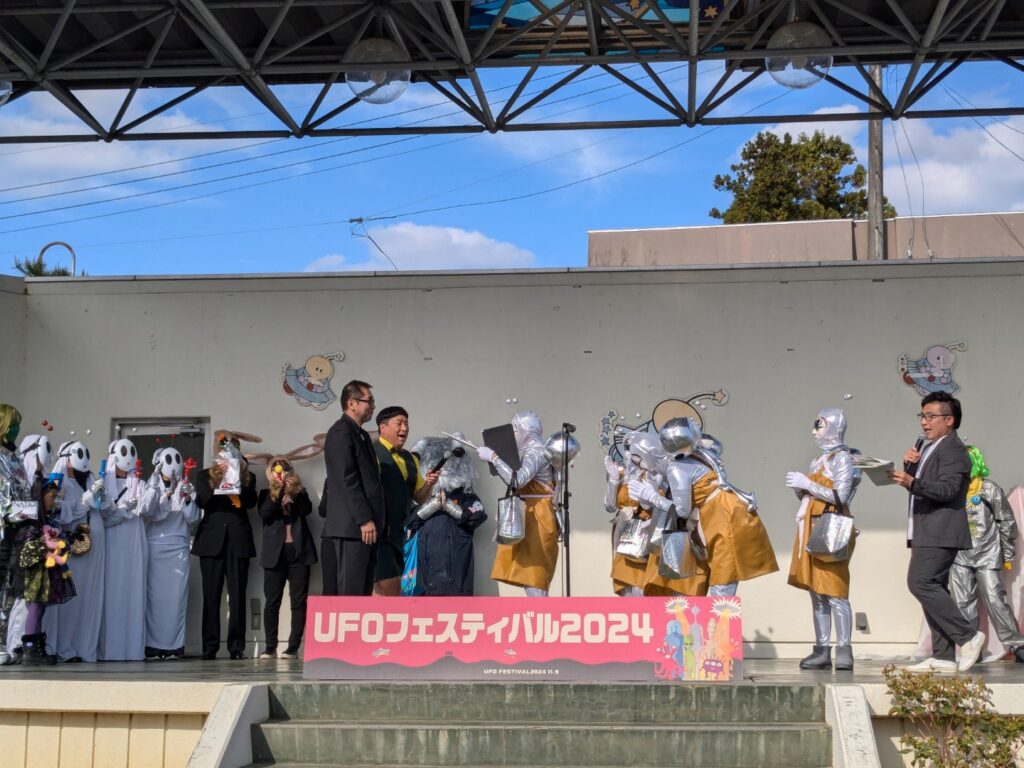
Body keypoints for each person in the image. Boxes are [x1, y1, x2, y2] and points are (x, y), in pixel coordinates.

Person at [889, 391, 985, 673]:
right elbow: (925, 485)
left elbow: (949, 490)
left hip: (941, 531)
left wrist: (912, 481)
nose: (924, 422)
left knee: (920, 583)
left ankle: (968, 636)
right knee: (933, 586)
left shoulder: (953, 449)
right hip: (926, 529)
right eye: (922, 416)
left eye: (931, 416)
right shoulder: (932, 447)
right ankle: (943, 656)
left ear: (950, 420)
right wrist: (910, 467)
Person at [630, 418, 778, 597]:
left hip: (722, 518)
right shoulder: (699, 454)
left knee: (723, 578)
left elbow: (681, 511)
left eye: (639, 461)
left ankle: (720, 616)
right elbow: (715, 447)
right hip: (726, 512)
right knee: (723, 576)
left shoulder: (676, 467)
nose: (641, 467)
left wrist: (652, 496)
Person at [785, 408, 862, 671]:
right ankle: (821, 648)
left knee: (835, 590)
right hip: (811, 525)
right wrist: (801, 488)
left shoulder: (843, 458)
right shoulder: (819, 460)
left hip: (832, 526)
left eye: (820, 426)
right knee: (817, 591)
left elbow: (841, 496)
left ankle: (844, 649)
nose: (815, 432)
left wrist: (807, 484)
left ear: (833, 427)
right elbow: (813, 494)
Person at [949, 445, 1024, 663]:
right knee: (963, 603)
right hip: (959, 556)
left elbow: (1006, 522)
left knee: (995, 600)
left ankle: (1017, 644)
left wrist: (1007, 555)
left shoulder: (989, 488)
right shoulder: (951, 490)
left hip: (988, 555)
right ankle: (972, 649)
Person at [192, 431, 259, 660]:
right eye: (223, 447)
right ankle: (209, 646)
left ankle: (236, 647)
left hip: (238, 540)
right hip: (211, 542)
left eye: (233, 447)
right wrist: (219, 478)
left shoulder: (248, 476)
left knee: (238, 596)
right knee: (211, 596)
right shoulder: (204, 475)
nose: (227, 451)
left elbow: (250, 503)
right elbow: (202, 501)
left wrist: (238, 475)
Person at [479, 411, 558, 596]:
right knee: (529, 576)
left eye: (514, 430)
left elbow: (517, 480)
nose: (512, 435)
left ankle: (542, 614)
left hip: (536, 517)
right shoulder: (539, 451)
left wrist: (494, 458)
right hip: (532, 513)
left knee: (534, 575)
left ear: (525, 431)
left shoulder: (536, 452)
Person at [321, 380, 385, 596]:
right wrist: (364, 519)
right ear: (352, 403)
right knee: (351, 594)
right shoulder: (341, 432)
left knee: (363, 594)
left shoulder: (362, 435)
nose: (373, 406)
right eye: (369, 401)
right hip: (352, 529)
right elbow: (346, 479)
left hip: (366, 530)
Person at [44, 440, 105, 662]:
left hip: (93, 546)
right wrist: (84, 501)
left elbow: (102, 506)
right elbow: (58, 511)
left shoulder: (87, 480)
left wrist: (97, 495)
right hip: (71, 546)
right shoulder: (59, 483)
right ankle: (62, 647)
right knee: (70, 598)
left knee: (89, 598)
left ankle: (83, 647)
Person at [407, 433, 487, 595]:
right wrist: (432, 505)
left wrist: (449, 506)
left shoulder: (465, 496)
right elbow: (410, 521)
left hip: (457, 578)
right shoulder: (420, 499)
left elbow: (477, 516)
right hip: (427, 577)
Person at [373, 406, 439, 596]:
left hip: (399, 533)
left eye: (406, 424)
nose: (404, 428)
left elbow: (419, 497)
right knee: (389, 584)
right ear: (383, 427)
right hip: (378, 532)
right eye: (399, 423)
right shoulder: (371, 453)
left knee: (387, 587)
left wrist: (429, 484)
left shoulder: (411, 459)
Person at [11, 474, 76, 666]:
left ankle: (35, 647)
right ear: (41, 497)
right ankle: (30, 649)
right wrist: (47, 543)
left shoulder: (45, 520)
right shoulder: (32, 523)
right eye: (51, 496)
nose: (54, 500)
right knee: (35, 607)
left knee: (39, 609)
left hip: (44, 575)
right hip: (34, 575)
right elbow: (26, 551)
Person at [99, 439, 153, 661]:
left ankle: (132, 649)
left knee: (133, 591)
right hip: (113, 543)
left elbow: (149, 509)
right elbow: (104, 517)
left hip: (134, 542)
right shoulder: (103, 482)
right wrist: (123, 510)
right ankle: (110, 649)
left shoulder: (138, 482)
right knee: (113, 592)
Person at [142, 448, 198, 659]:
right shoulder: (151, 485)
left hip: (178, 546)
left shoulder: (186, 485)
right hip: (156, 545)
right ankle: (152, 644)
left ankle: (174, 645)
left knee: (176, 598)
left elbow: (192, 517)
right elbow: (149, 513)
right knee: (154, 597)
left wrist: (187, 498)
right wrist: (166, 494)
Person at [258, 456, 316, 659]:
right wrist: (276, 494)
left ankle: (293, 647)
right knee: (271, 601)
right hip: (274, 553)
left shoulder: (300, 491)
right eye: (276, 469)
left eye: (284, 469)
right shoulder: (264, 493)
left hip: (299, 552)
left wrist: (296, 492)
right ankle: (270, 646)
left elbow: (307, 510)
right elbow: (265, 513)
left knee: (298, 601)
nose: (280, 473)